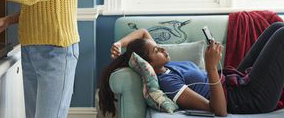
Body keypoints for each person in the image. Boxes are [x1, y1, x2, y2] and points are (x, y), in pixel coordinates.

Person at [99, 23, 284, 117]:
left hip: (235, 82)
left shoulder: (164, 66)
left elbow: (143, 32)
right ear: (148, 63)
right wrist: (211, 66)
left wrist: (119, 43)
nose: (163, 48)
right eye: (156, 50)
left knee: (275, 27)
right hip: (247, 99)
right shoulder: (168, 83)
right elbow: (219, 110)